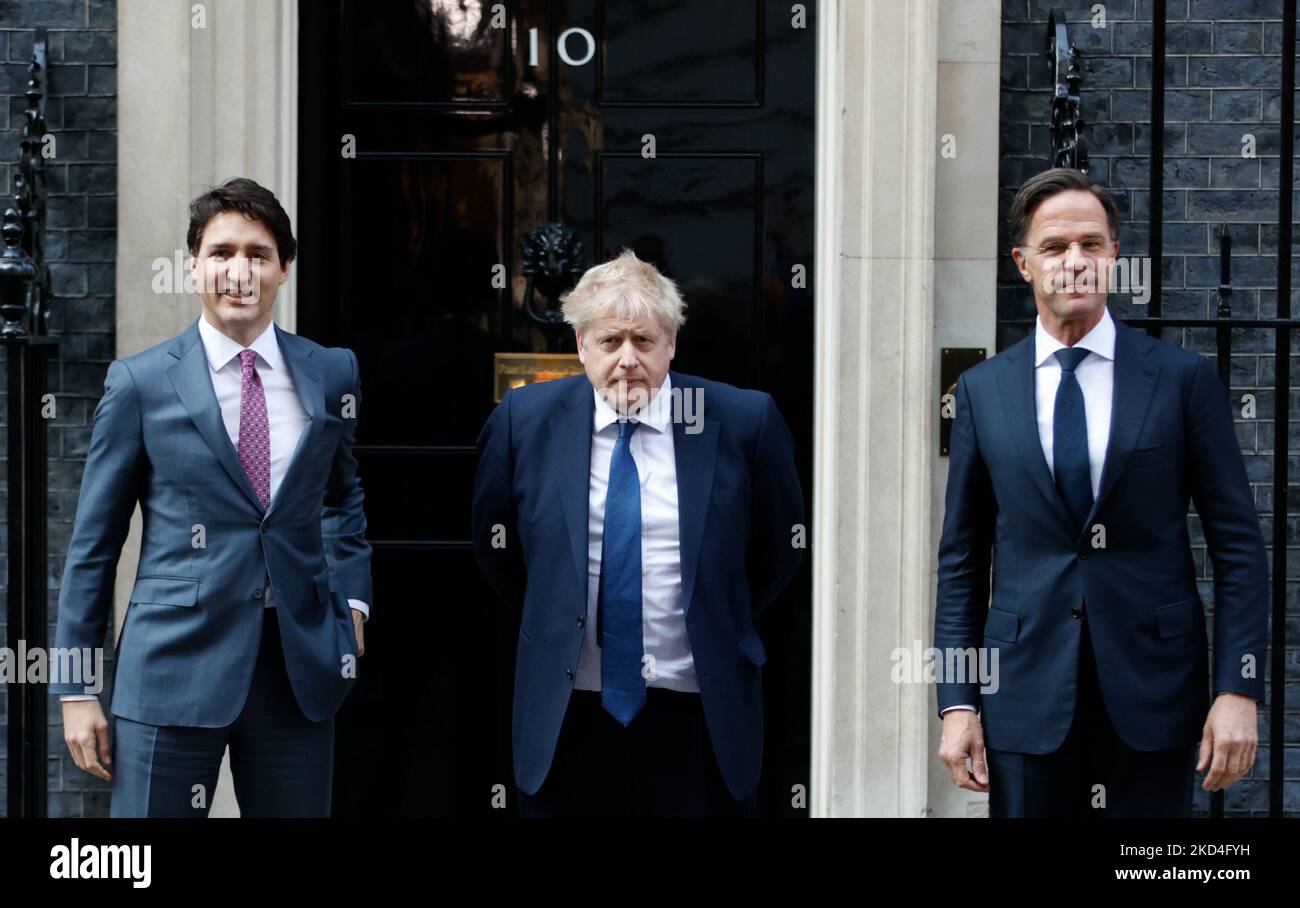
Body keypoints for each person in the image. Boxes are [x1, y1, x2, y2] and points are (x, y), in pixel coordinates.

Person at [934, 167, 1267, 817]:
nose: (1075, 262)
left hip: (1155, 692)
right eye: (1055, 248)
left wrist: (1237, 690)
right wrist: (956, 701)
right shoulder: (982, 390)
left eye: (1091, 244)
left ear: (1115, 257)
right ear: (1024, 264)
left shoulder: (1181, 381)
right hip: (1024, 693)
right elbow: (962, 560)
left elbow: (1238, 549)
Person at [54, 177, 373, 817]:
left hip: (297, 669)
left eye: (258, 254)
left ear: (284, 268)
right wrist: (76, 687)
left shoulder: (332, 371)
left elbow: (343, 499)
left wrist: (354, 608)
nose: (239, 271)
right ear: (193, 265)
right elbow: (94, 546)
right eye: (222, 252)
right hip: (170, 671)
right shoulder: (140, 383)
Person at [472, 249, 803, 816]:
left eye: (644, 341)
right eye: (609, 341)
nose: (627, 360)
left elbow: (779, 550)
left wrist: (718, 612)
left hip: (697, 715)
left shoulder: (744, 421)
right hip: (567, 713)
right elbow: (496, 546)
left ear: (671, 342)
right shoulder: (523, 421)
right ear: (580, 345)